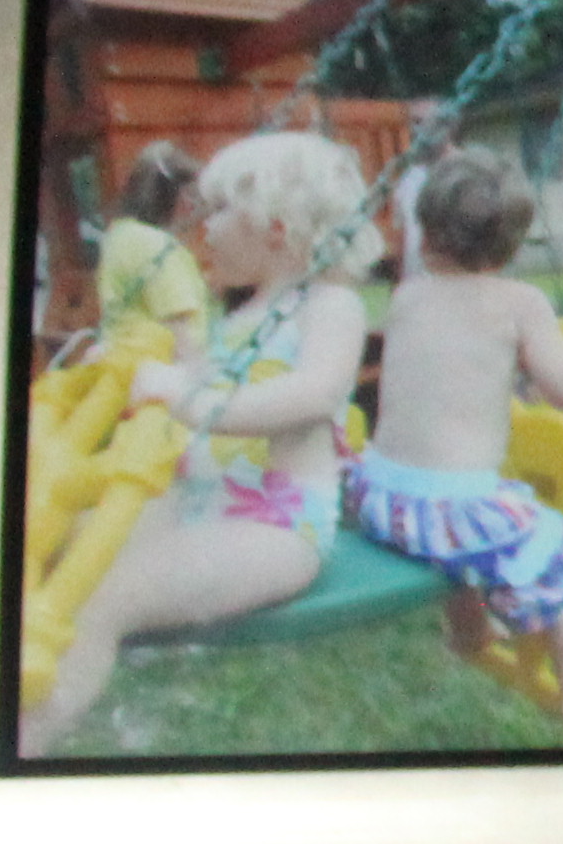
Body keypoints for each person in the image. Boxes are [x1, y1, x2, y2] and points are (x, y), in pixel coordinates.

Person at [24, 129, 374, 746]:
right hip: (192, 503)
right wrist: (129, 367)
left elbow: (315, 395)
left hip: (276, 527)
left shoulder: (332, 306)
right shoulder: (238, 315)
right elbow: (192, 378)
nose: (201, 227)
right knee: (58, 545)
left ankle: (26, 742)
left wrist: (186, 398)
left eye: (216, 212)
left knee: (103, 595)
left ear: (274, 227)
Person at [348, 146, 563, 731]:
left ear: (424, 229)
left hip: (379, 499)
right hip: (452, 511)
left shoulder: (407, 296)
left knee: (459, 532)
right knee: (560, 554)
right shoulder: (520, 303)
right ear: (514, 246)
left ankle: (468, 632)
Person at [89, 139, 212, 348]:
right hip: (162, 362)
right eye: (194, 193)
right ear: (182, 195)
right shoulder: (158, 246)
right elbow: (179, 327)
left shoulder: (119, 235)